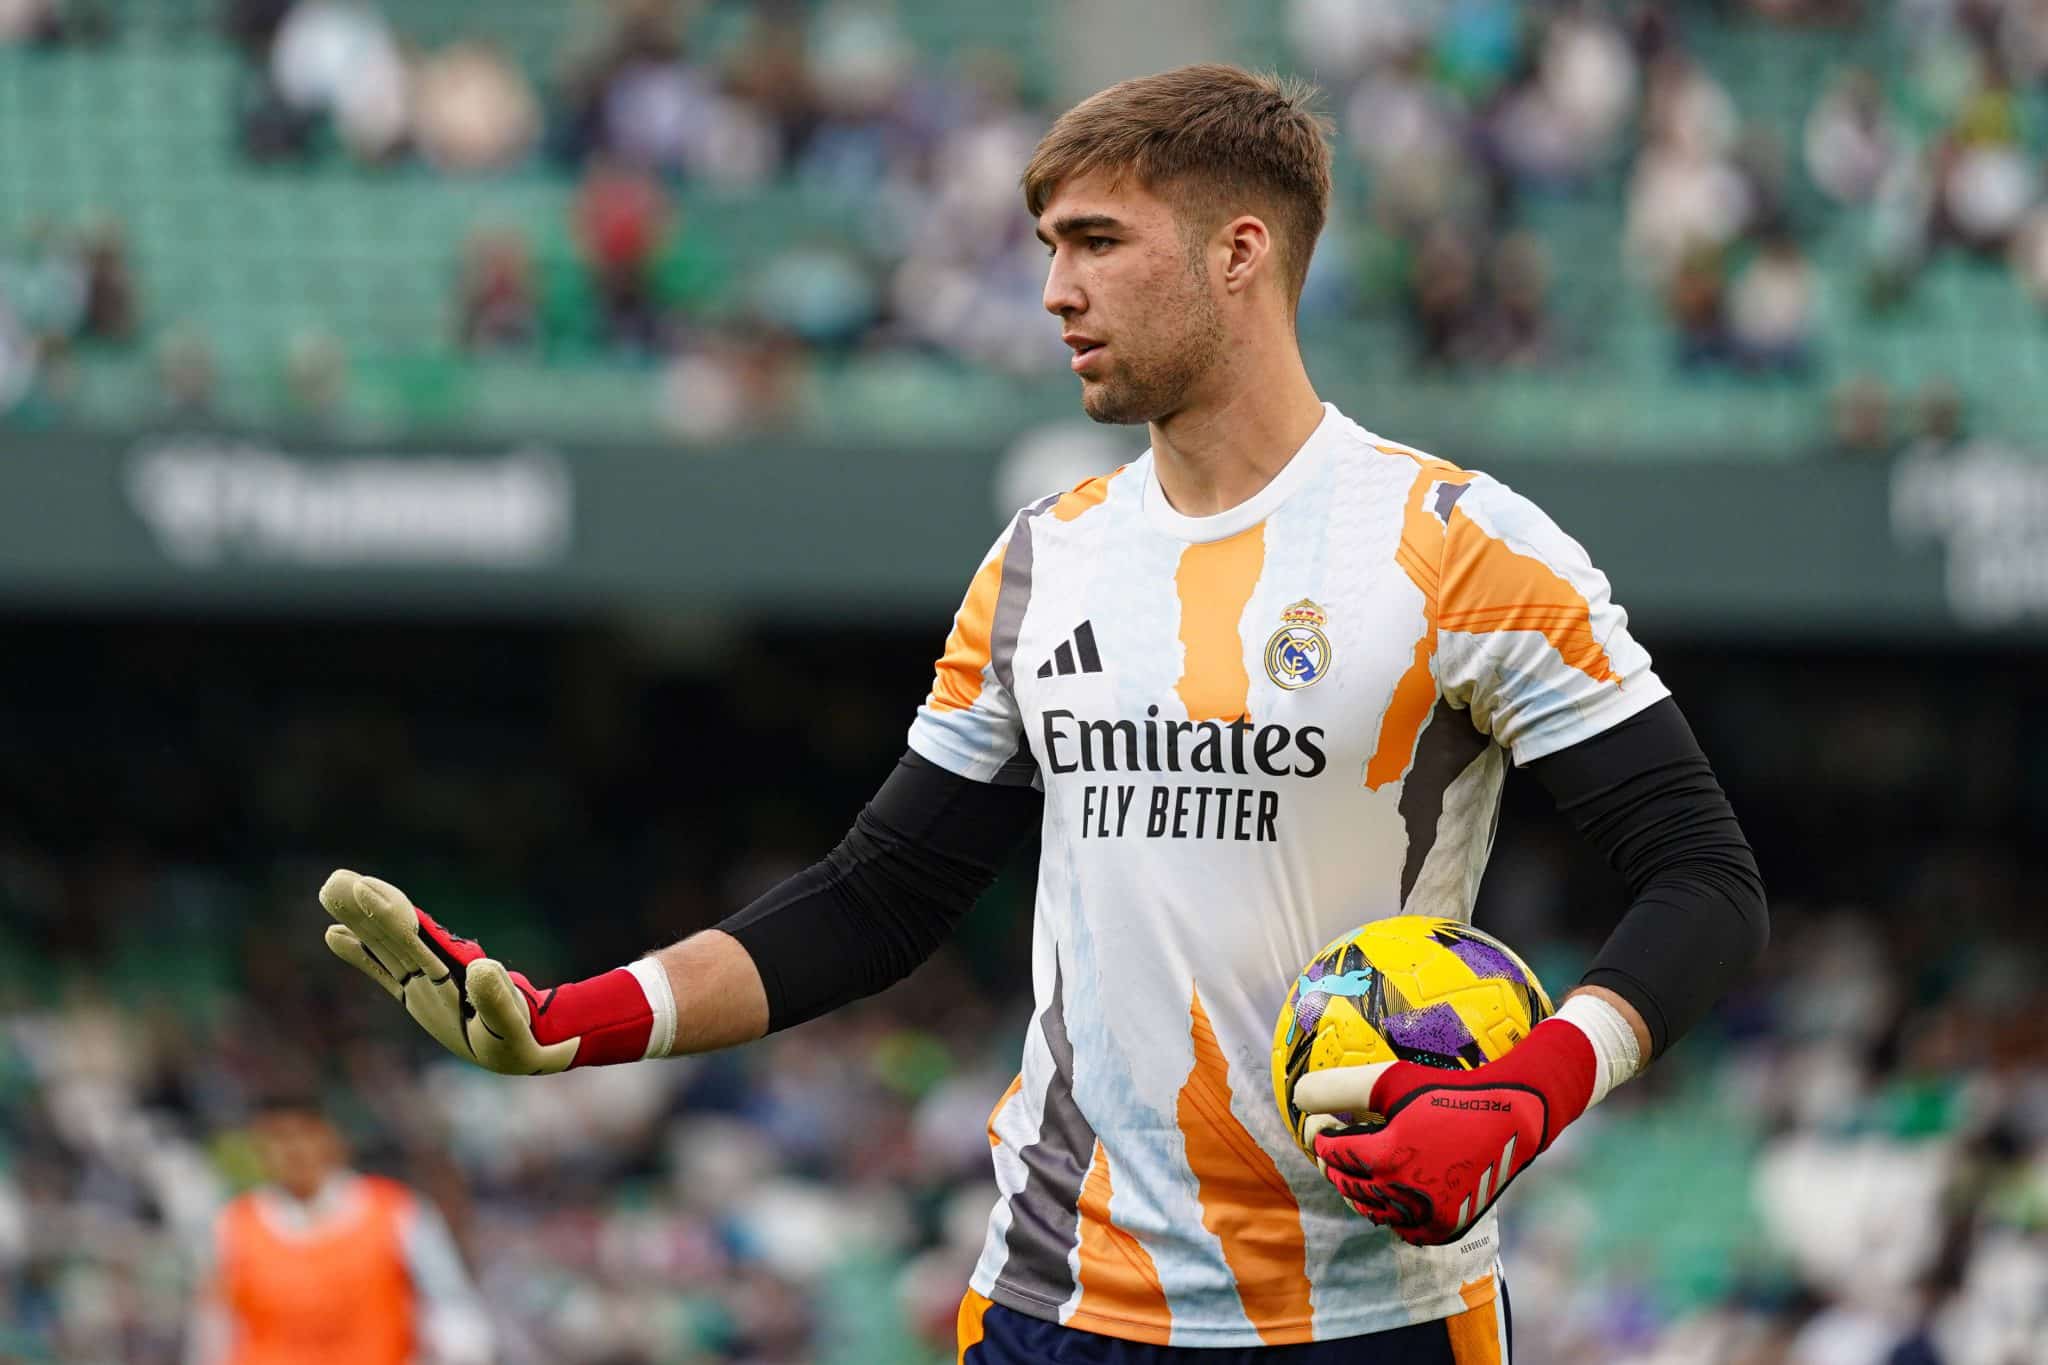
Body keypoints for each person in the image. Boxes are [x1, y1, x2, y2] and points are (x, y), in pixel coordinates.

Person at [319, 64, 1767, 1363]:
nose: (1055, 291)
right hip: (1054, 1303)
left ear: (1239, 254)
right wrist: (570, 1022)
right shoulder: (1040, 563)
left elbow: (1704, 879)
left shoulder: (1461, 547)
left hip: (1373, 1312)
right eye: (1047, 250)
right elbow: (880, 897)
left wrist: (1527, 1091)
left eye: (1096, 244)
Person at [186, 1091, 492, 1365]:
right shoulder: (233, 1229)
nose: (293, 1151)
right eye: (277, 1139)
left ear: (330, 1138)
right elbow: (213, 1330)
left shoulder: (397, 1213)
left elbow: (451, 1307)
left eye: (303, 1135)